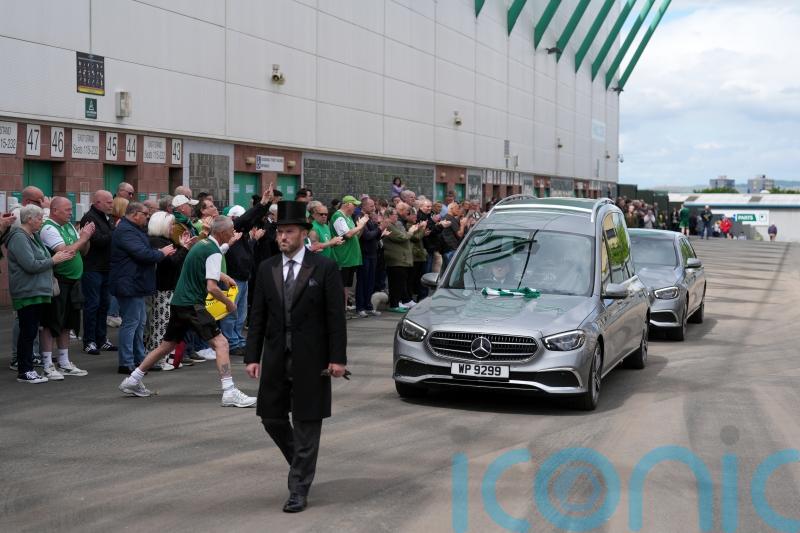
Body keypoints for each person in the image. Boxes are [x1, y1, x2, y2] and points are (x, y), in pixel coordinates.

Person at [244, 200, 348, 513]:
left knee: (306, 421)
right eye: (279, 233)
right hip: (276, 356)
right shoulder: (267, 268)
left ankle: (298, 488)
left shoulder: (324, 267)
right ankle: (300, 463)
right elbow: (257, 314)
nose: (282, 237)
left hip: (312, 358)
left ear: (304, 233)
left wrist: (337, 358)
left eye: (288, 232)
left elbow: (335, 318)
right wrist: (252, 356)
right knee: (271, 417)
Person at [118, 216, 256, 408]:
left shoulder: (203, 244)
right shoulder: (212, 250)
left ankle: (133, 380)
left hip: (179, 302)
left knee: (166, 346)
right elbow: (212, 288)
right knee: (221, 343)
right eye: (232, 230)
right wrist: (229, 304)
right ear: (223, 233)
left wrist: (223, 275)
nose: (234, 233)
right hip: (192, 305)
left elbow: (203, 266)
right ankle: (229, 391)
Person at [6, 205, 75, 383]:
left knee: (32, 330)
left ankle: (28, 368)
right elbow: (30, 264)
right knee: (27, 331)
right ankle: (25, 370)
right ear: (29, 219)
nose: (41, 222)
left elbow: (39, 259)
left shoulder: (33, 236)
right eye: (39, 218)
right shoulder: (19, 237)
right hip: (27, 291)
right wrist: (53, 260)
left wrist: (51, 260)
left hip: (38, 290)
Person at [110, 202, 177, 374]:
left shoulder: (134, 229)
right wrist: (162, 253)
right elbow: (143, 254)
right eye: (145, 214)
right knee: (132, 323)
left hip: (136, 283)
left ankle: (140, 359)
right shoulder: (126, 231)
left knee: (139, 323)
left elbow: (144, 252)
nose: (148, 217)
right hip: (129, 283)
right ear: (134, 214)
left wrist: (159, 253)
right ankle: (126, 361)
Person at [39, 197, 95, 379]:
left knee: (68, 324)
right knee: (51, 323)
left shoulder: (69, 226)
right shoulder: (48, 228)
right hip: (59, 281)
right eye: (67, 209)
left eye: (71, 209)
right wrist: (84, 238)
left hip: (74, 282)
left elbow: (82, 251)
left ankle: (64, 361)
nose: (71, 212)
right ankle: (47, 364)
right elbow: (66, 252)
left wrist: (86, 239)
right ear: (54, 210)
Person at [144, 211, 192, 370]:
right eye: (171, 225)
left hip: (168, 287)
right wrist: (184, 248)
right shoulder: (157, 242)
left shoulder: (164, 241)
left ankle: (161, 358)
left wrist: (182, 247)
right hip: (162, 288)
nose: (173, 228)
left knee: (163, 323)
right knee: (160, 324)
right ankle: (156, 360)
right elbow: (171, 263)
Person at [79, 190, 117, 355]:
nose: (112, 204)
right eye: (108, 202)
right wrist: (115, 232)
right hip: (92, 268)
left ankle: (102, 339)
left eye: (111, 201)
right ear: (98, 202)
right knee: (92, 305)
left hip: (106, 268)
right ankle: (89, 341)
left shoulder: (105, 218)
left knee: (104, 305)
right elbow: (97, 241)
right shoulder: (90, 218)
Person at [330, 195, 368, 312]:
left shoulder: (348, 217)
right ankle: (339, 310)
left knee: (346, 285)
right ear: (347, 204)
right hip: (343, 256)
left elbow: (355, 235)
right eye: (354, 205)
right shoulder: (338, 216)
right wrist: (360, 225)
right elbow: (348, 235)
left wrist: (361, 226)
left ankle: (344, 309)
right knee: (341, 285)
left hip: (350, 257)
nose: (355, 207)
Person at [381, 207, 419, 312]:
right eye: (395, 215)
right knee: (396, 283)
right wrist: (410, 232)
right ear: (388, 216)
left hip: (401, 258)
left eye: (397, 215)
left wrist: (406, 233)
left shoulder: (395, 224)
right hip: (395, 259)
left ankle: (398, 302)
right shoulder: (388, 226)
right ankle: (394, 304)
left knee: (400, 282)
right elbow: (402, 237)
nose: (397, 217)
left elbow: (403, 234)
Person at [355, 197, 382, 318]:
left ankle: (369, 305)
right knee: (363, 281)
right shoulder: (360, 218)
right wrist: (379, 229)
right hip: (364, 254)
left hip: (373, 253)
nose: (373, 208)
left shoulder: (371, 218)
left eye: (374, 206)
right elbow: (366, 236)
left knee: (371, 281)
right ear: (364, 206)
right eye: (371, 206)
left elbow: (375, 236)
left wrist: (381, 229)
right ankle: (360, 307)